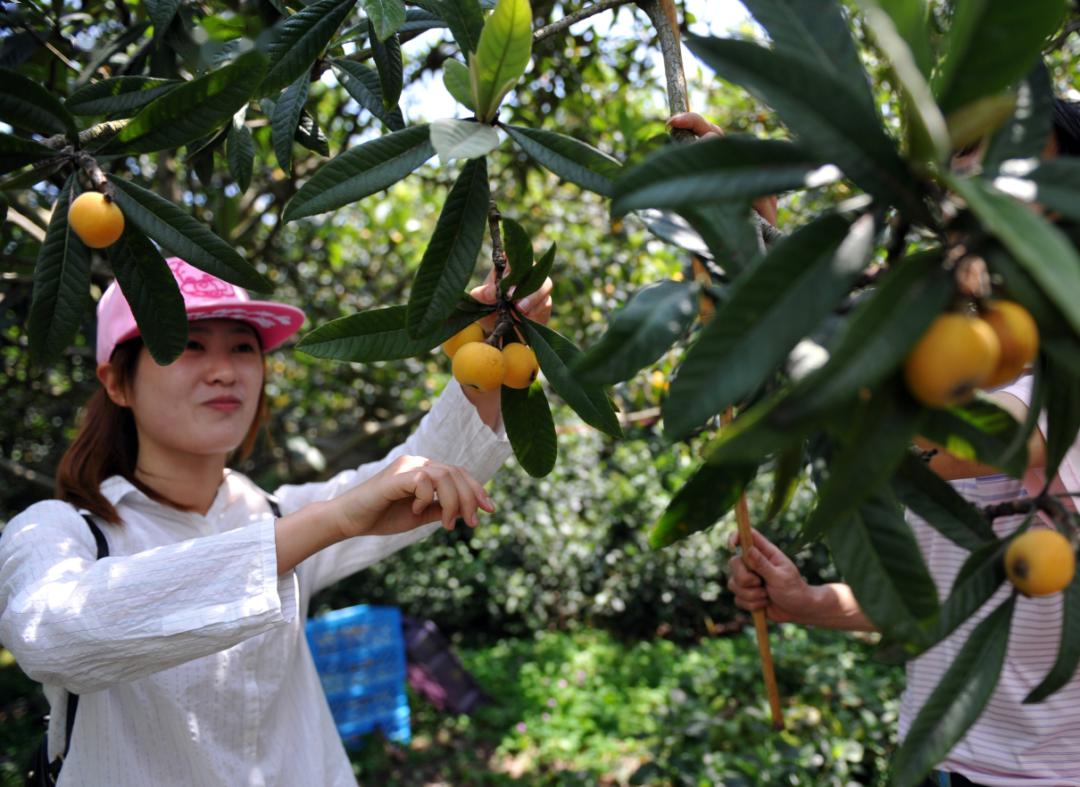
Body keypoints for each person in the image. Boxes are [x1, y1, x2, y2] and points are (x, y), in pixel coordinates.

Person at [0, 255, 552, 786]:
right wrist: (327, 523)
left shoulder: (274, 515)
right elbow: (53, 635)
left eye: (243, 347)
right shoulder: (58, 530)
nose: (224, 372)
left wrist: (490, 348)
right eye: (187, 346)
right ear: (117, 382)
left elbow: (429, 469)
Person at [674, 98, 1080, 786]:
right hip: (939, 757)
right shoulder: (956, 340)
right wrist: (806, 601)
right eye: (964, 151)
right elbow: (942, 595)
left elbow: (972, 437)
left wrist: (764, 261)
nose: (975, 166)